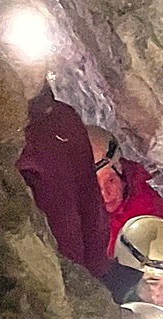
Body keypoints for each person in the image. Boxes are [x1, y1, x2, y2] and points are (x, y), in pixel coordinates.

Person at [15, 69, 111, 281]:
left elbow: (89, 198)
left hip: (69, 259)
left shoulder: (64, 121)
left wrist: (94, 271)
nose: (29, 70)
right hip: (22, 258)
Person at [87, 125, 163, 260]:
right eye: (94, 188)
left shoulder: (150, 211)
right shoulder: (67, 211)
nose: (105, 195)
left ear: (119, 168)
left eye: (110, 180)